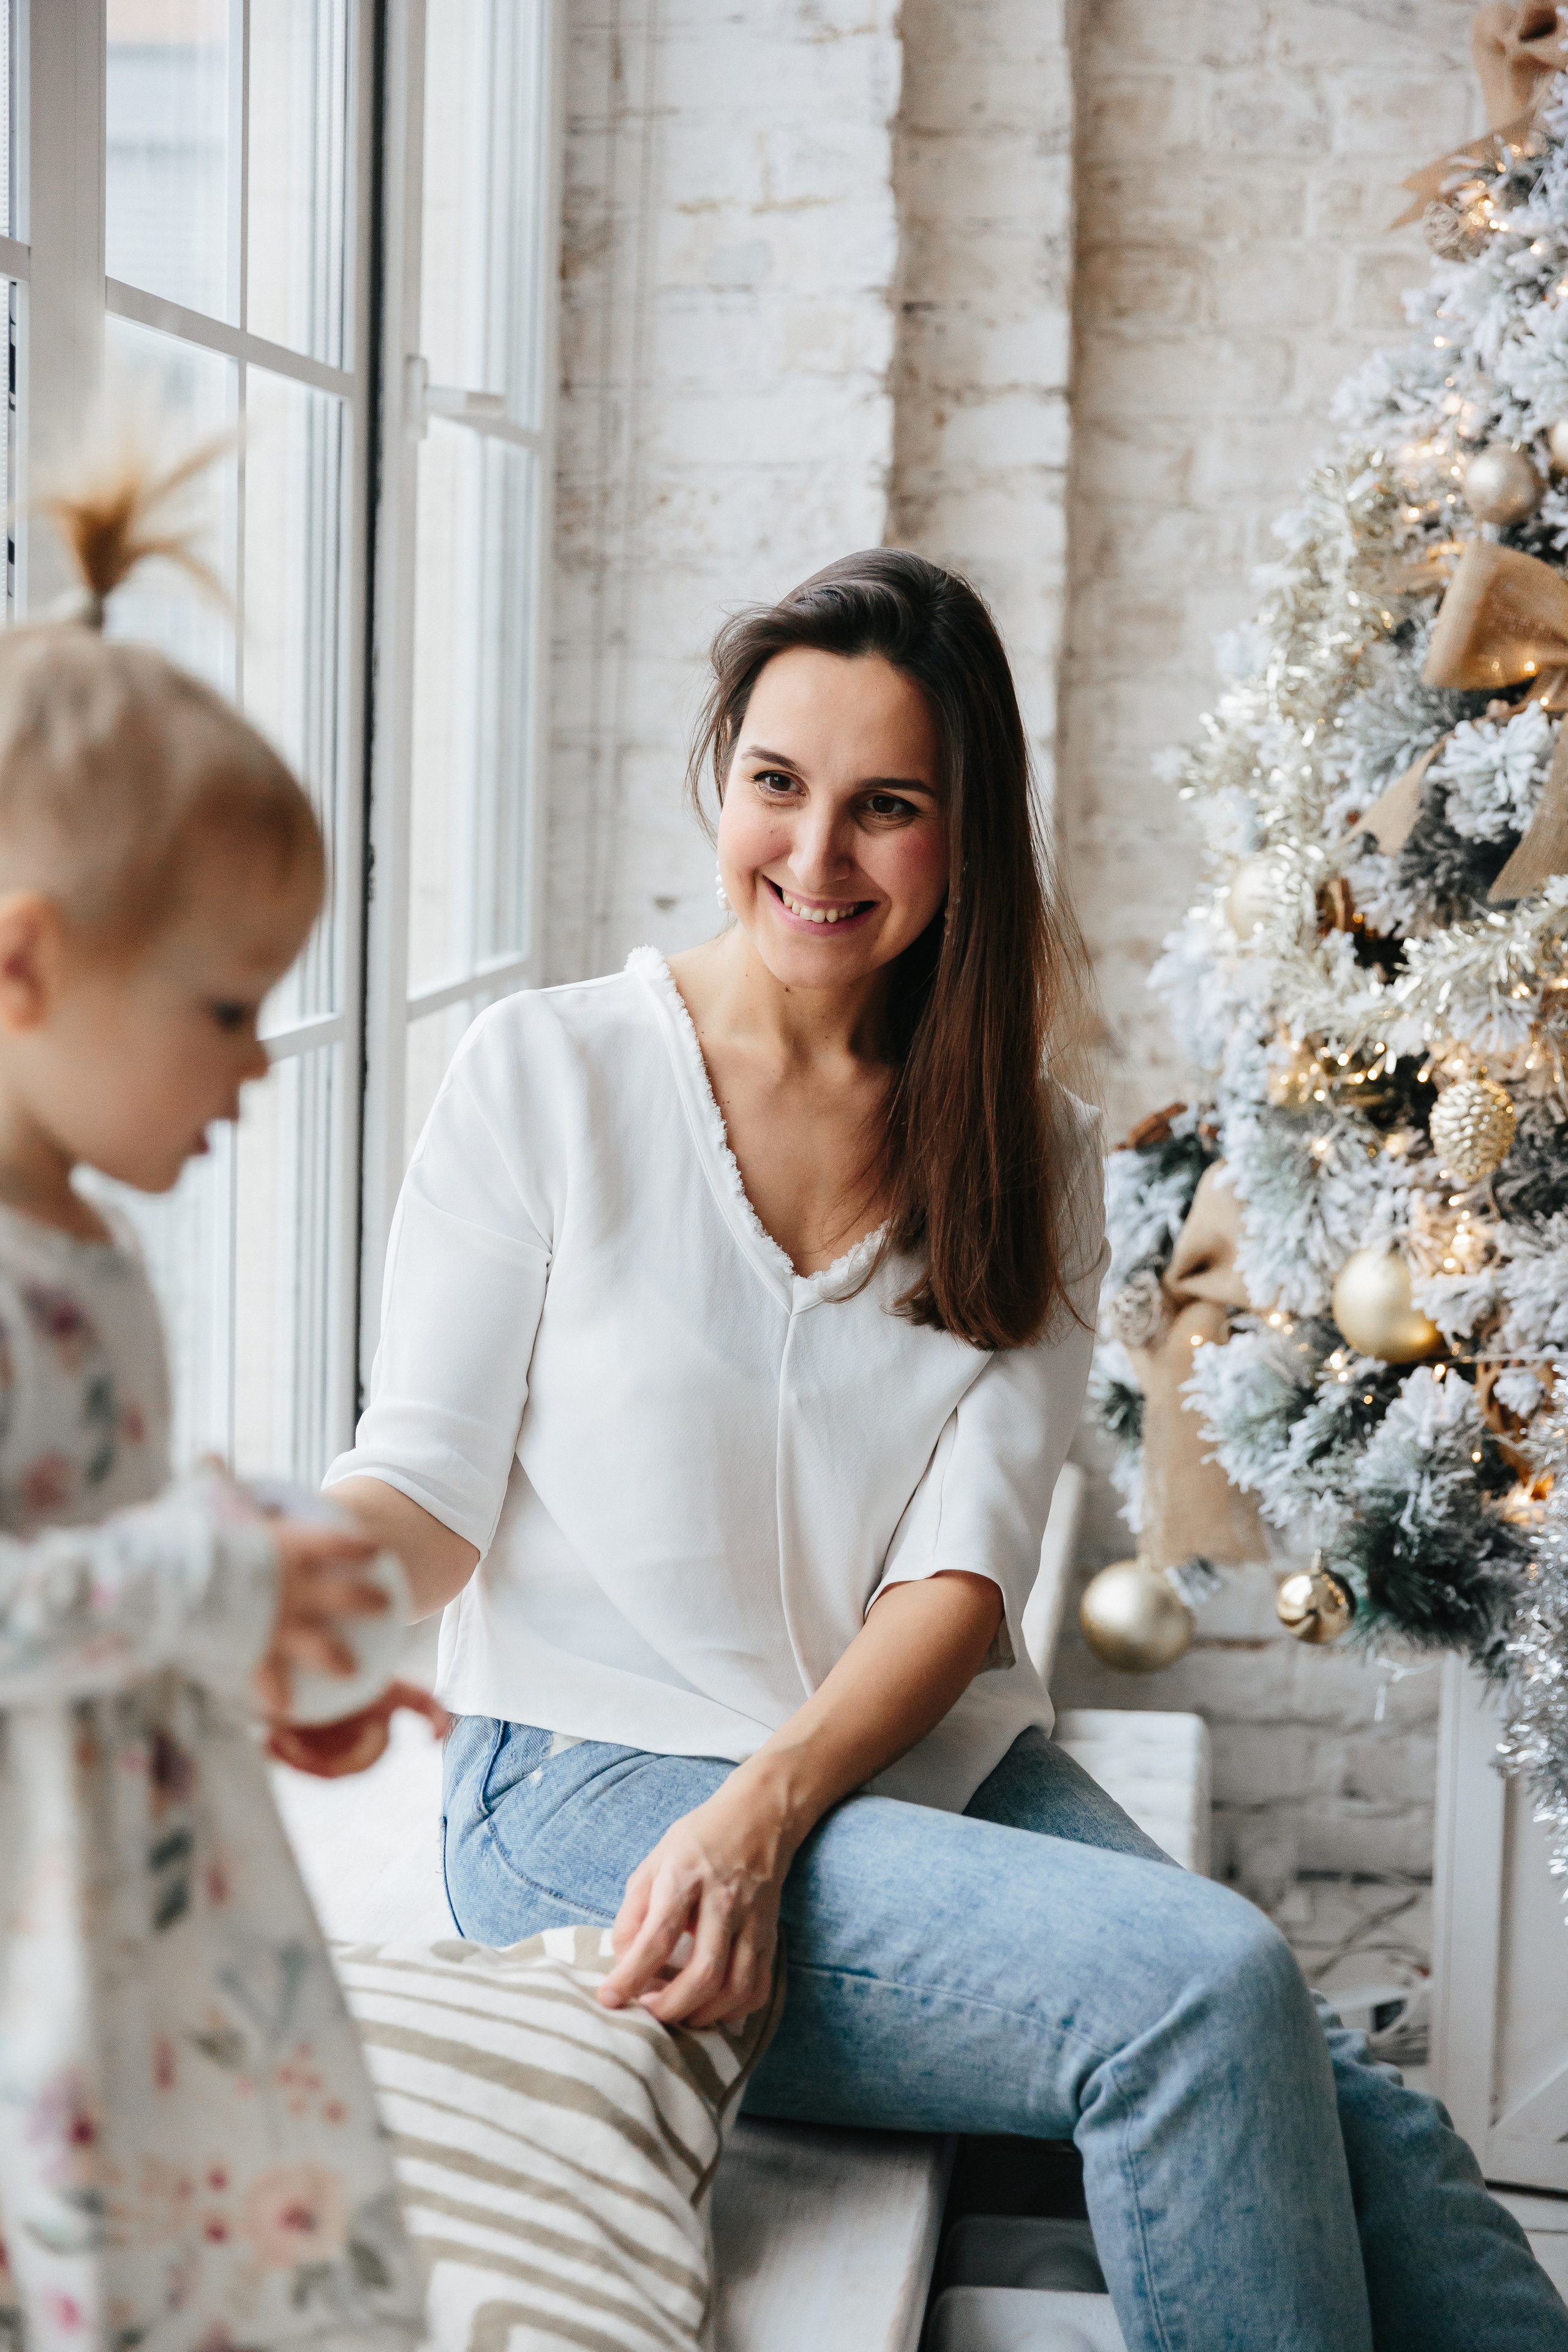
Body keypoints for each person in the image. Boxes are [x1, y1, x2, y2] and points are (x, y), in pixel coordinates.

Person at [327, 550, 1568, 2351]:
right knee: (1199, 1993)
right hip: (586, 1792)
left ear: (965, 833)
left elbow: (956, 1582)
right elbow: (422, 1495)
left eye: (885, 809)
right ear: (723, 779)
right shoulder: (548, 1075)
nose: (816, 858)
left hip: (892, 1763)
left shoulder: (1029, 1149)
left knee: (1365, 2111)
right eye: (778, 786)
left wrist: (771, 1805)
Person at [0, 457, 431, 2352]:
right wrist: (192, 1573)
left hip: (124, 1909)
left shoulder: (77, 1242)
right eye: (226, 1007)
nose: (260, 1067)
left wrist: (258, 1611)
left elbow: (87, 1540)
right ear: (26, 965)